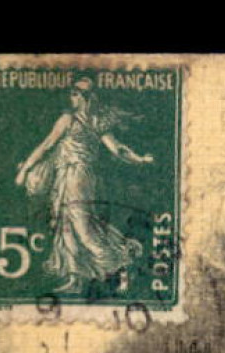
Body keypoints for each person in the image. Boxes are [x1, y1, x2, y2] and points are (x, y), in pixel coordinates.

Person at [14, 77, 155, 295]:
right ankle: (75, 278)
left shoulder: (78, 120)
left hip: (78, 176)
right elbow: (47, 146)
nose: (71, 96)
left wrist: (139, 159)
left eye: (75, 93)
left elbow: (117, 149)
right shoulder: (82, 120)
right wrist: (139, 159)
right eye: (71, 92)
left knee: (83, 227)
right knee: (65, 225)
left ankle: (121, 264)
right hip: (67, 175)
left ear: (84, 97)